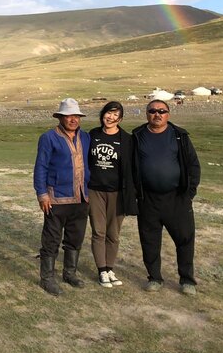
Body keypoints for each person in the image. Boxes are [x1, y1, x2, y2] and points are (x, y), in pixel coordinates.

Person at [133, 99, 201, 295]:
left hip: (176, 198)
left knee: (185, 239)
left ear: (168, 114)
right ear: (147, 114)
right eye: (153, 111)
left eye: (161, 111)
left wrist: (189, 194)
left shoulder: (179, 136)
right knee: (149, 240)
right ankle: (154, 278)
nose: (157, 114)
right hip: (148, 200)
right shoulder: (137, 136)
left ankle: (187, 280)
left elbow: (193, 165)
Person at [34, 98, 90, 296]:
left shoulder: (85, 137)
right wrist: (42, 194)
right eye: (68, 116)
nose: (72, 119)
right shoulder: (48, 138)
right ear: (60, 117)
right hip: (56, 198)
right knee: (51, 240)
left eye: (76, 116)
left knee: (75, 238)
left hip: (82, 197)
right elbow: (41, 166)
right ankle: (47, 278)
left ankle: (69, 273)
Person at [87, 101, 137, 288]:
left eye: (116, 115)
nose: (111, 118)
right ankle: (101, 271)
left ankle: (110, 269)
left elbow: (132, 168)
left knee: (113, 234)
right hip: (95, 191)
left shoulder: (127, 139)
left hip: (118, 193)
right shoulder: (93, 135)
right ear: (103, 114)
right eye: (108, 113)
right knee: (98, 231)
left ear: (120, 119)